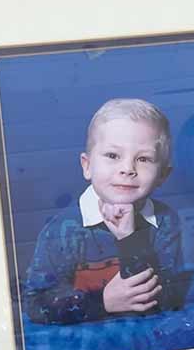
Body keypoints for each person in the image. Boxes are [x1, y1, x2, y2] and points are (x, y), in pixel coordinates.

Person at [23, 98, 185, 324]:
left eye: (144, 158)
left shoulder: (165, 221)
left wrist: (129, 239)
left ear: (162, 176)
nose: (127, 169)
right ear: (87, 166)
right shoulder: (63, 230)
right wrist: (102, 302)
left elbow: (168, 299)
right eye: (112, 156)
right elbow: (35, 304)